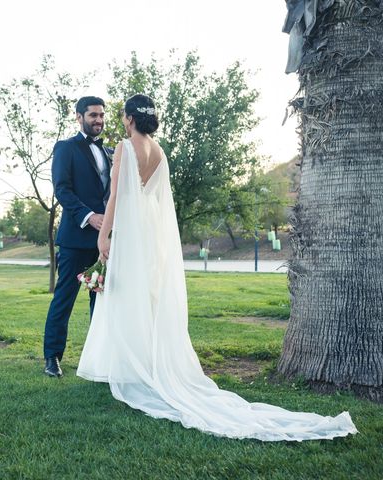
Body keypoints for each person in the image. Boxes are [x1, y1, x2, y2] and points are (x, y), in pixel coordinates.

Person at [76, 94, 357, 441]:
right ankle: (144, 366)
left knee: (126, 298)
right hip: (151, 240)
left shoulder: (124, 147)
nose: (120, 120)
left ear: (130, 118)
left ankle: (133, 371)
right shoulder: (159, 152)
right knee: (144, 299)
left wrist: (105, 235)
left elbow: (115, 196)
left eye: (122, 115)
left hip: (131, 236)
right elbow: (160, 205)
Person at [43, 96, 112, 377]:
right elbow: (62, 189)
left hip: (104, 242)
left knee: (102, 302)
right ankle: (52, 358)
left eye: (102, 115)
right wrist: (89, 216)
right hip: (75, 239)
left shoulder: (109, 152)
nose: (98, 120)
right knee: (64, 300)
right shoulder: (65, 148)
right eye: (93, 115)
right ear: (79, 117)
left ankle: (98, 359)